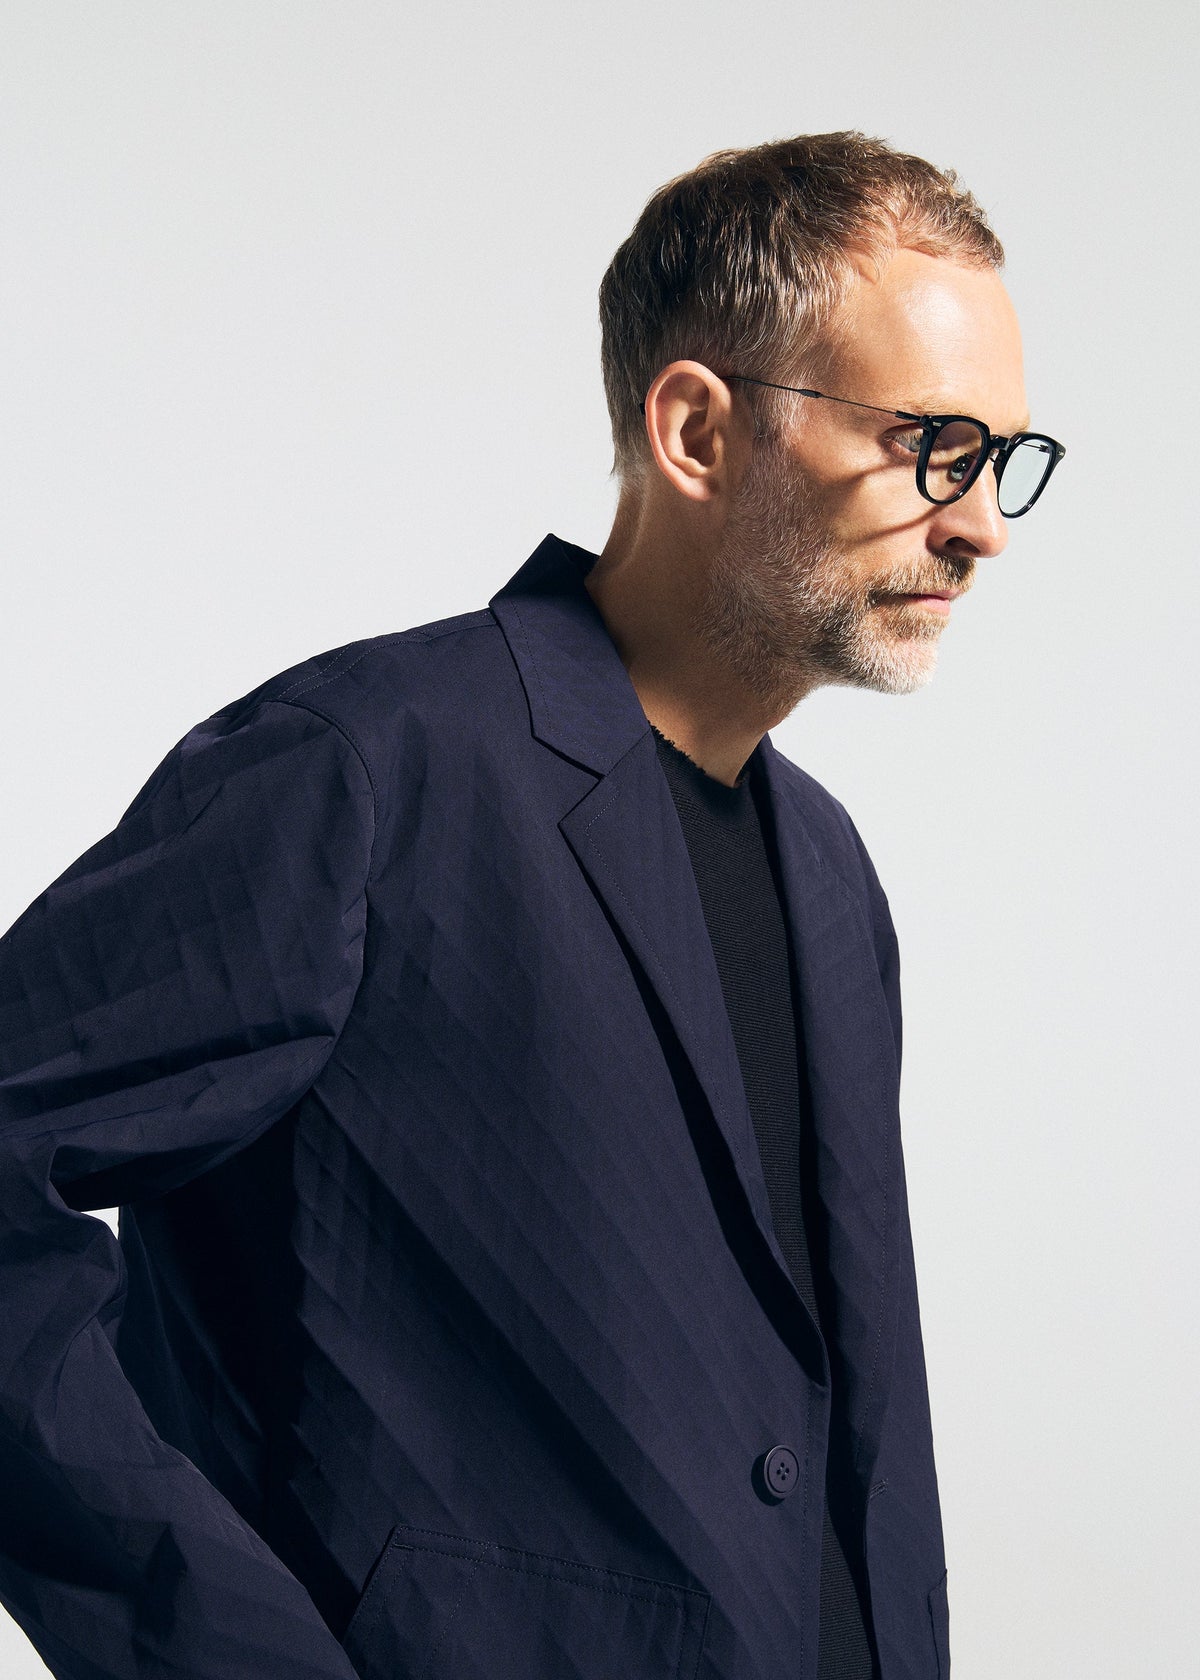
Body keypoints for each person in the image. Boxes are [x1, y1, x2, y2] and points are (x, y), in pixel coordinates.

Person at [0, 131, 1064, 1680]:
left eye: (1006, 458)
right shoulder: (362, 772)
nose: (982, 524)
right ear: (699, 429)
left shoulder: (829, 874)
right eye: (931, 445)